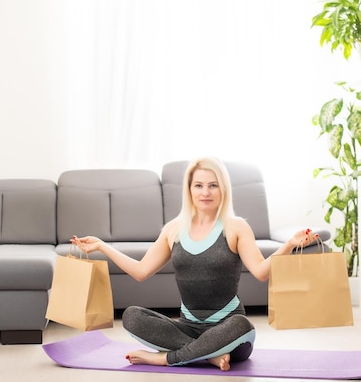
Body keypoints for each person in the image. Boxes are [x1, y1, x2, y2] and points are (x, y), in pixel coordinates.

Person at [72, 156, 316, 371]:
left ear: (223, 189)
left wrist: (289, 246)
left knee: (242, 326)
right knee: (131, 316)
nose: (205, 192)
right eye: (198, 185)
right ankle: (208, 356)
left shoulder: (236, 227)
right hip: (187, 329)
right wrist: (103, 246)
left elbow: (261, 272)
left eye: (213, 185)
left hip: (228, 332)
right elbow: (141, 270)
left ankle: (165, 359)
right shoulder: (174, 230)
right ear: (189, 189)